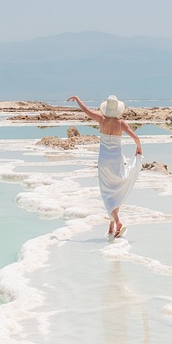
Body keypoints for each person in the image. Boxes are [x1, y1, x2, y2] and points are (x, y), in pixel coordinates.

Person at [67, 94, 143, 239]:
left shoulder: (101, 119)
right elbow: (136, 138)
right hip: (116, 160)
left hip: (103, 160)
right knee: (116, 190)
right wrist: (139, 149)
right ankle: (114, 223)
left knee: (108, 193)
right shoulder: (121, 124)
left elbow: (86, 111)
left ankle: (114, 224)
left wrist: (77, 99)